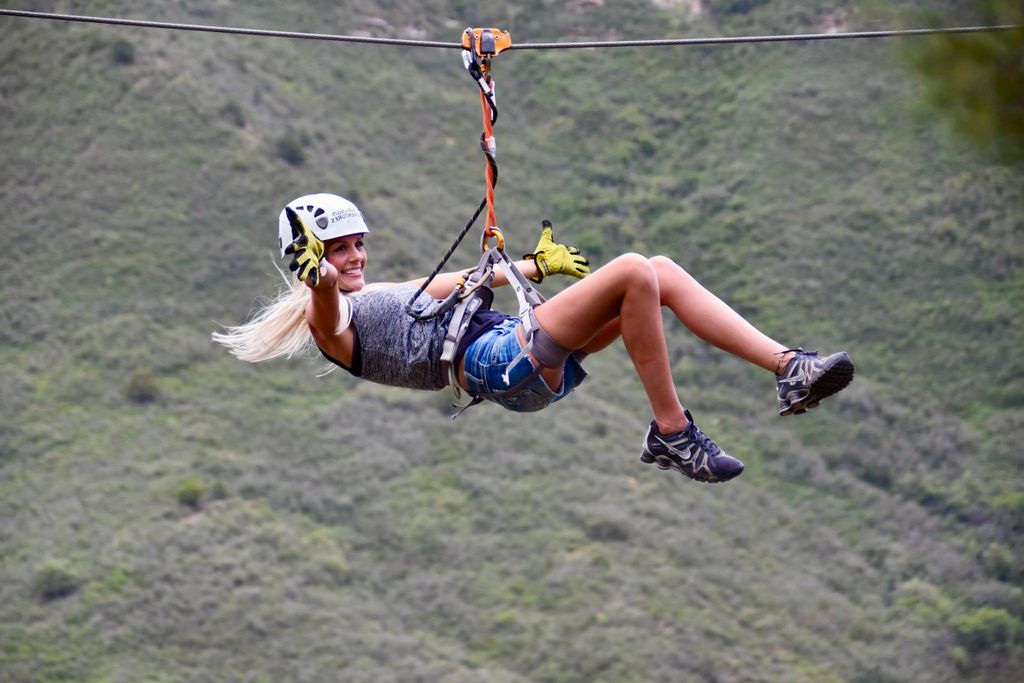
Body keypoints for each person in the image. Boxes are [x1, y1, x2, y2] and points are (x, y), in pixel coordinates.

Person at [214, 193, 855, 484]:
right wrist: (322, 278)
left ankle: (788, 367)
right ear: (313, 260)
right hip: (498, 361)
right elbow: (327, 308)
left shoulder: (379, 295)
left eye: (358, 244)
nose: (355, 255)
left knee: (654, 274)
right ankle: (673, 431)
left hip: (514, 354)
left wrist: (534, 267)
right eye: (340, 248)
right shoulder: (332, 322)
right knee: (633, 269)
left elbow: (467, 279)